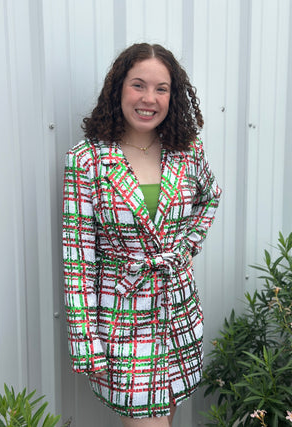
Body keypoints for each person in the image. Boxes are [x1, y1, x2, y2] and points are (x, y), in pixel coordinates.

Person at [62, 43, 222, 427]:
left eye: (161, 89)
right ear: (118, 90)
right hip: (122, 317)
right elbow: (77, 259)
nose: (149, 98)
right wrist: (86, 343)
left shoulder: (186, 150)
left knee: (164, 416)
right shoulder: (87, 159)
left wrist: (183, 250)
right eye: (138, 85)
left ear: (173, 96)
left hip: (177, 310)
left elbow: (210, 198)